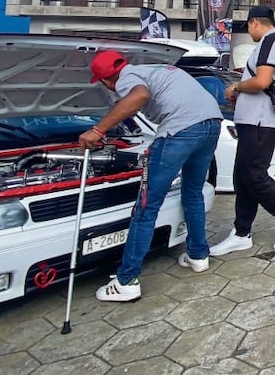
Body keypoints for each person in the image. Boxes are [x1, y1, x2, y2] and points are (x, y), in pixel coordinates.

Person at [80, 49, 223, 303]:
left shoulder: (127, 77)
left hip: (180, 130)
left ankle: (126, 281)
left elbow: (140, 95)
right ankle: (198, 255)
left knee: (146, 207)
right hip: (211, 125)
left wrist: (97, 129)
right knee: (192, 193)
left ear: (105, 81)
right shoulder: (155, 69)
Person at [210, 5, 275, 255]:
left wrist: (236, 88)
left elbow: (262, 81)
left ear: (255, 22)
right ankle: (241, 232)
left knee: (254, 175)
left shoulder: (271, 40)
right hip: (253, 120)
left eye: (248, 27)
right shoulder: (271, 41)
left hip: (261, 121)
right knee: (243, 177)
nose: (249, 32)